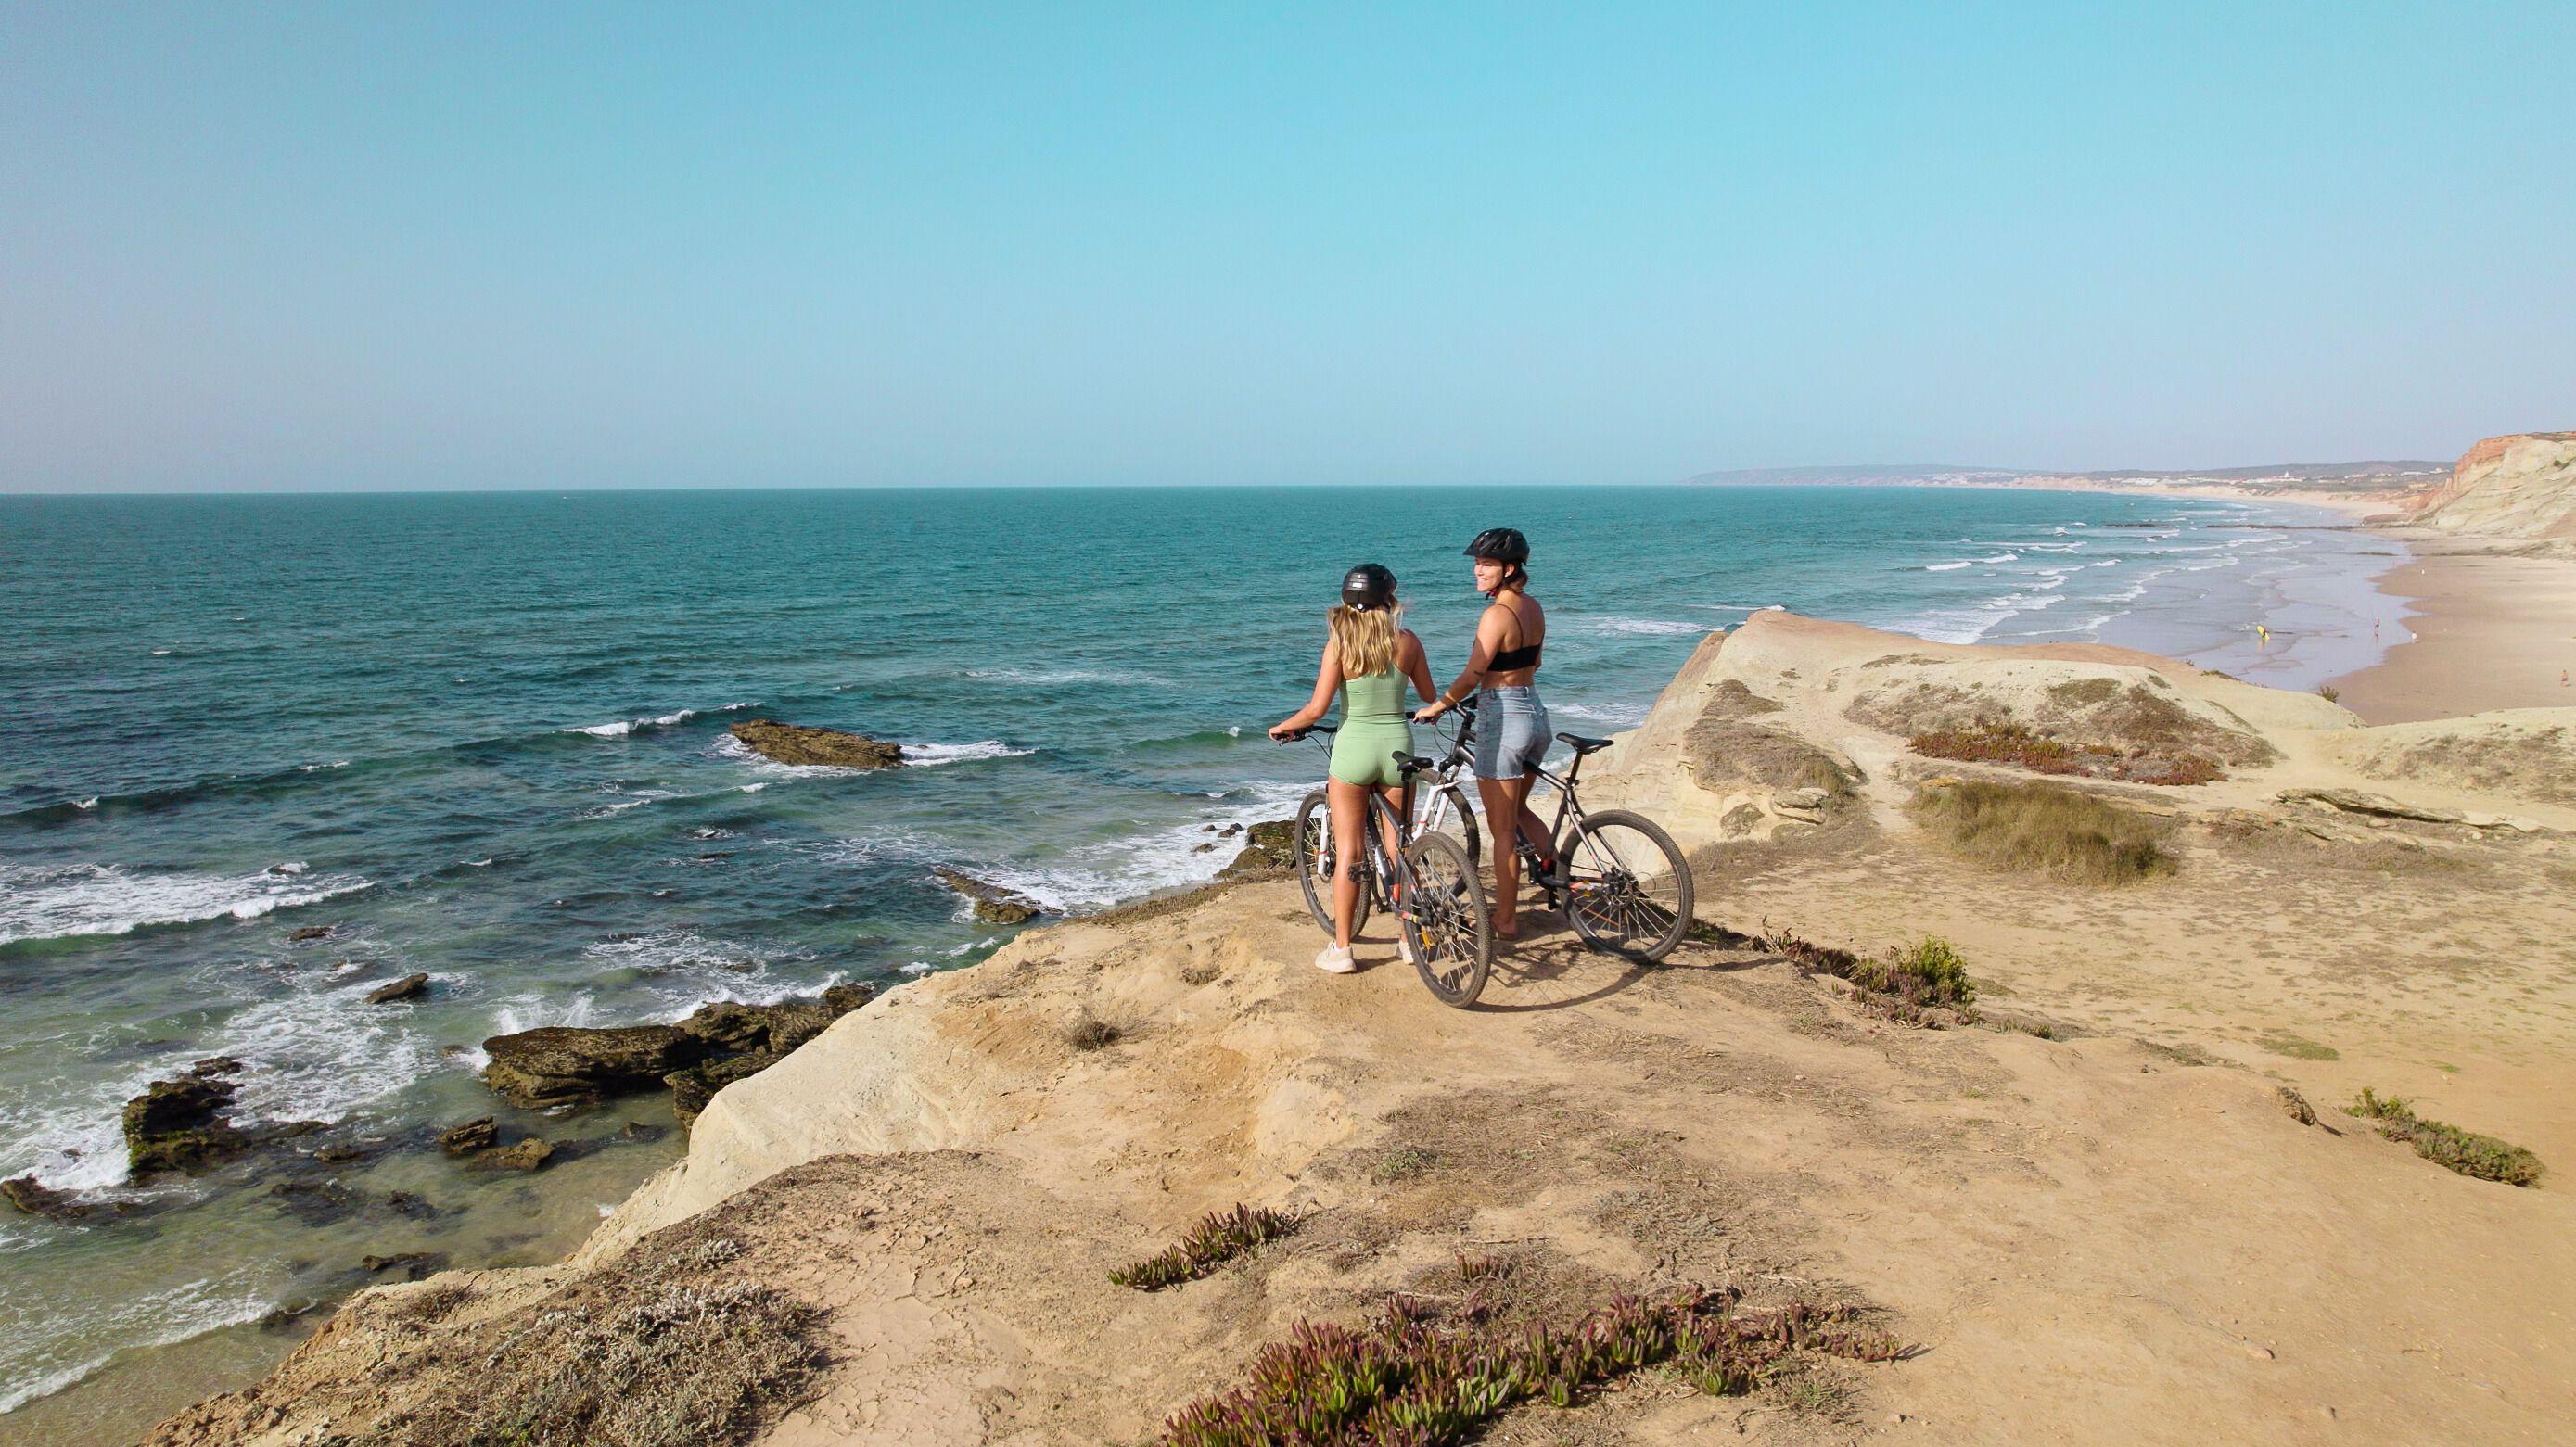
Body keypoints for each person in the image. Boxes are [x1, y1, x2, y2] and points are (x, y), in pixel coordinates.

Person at [1269, 564, 1437, 973]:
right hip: (1397, 747)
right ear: (1390, 602)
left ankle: (1342, 949)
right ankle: (1408, 940)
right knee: (1403, 847)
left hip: (1353, 751)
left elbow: (1317, 709)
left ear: (1347, 602)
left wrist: (1281, 727)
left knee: (1350, 851)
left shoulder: (1339, 646)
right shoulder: (1407, 642)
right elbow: (1431, 699)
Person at [1413, 528, 1551, 941]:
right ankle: (1558, 878)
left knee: (1503, 831)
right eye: (1476, 563)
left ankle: (1506, 921)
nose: (1477, 570)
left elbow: (1475, 673)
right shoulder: (1534, 608)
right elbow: (1536, 661)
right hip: (1535, 711)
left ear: (1509, 569)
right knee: (1520, 812)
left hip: (1504, 716)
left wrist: (1438, 705)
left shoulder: (1496, 616)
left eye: (1486, 564)